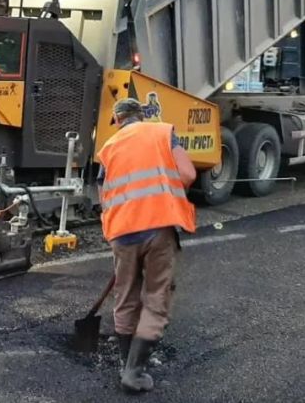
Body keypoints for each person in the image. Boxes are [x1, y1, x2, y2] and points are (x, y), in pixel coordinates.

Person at [96, 97, 197, 394]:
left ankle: (124, 362)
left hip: (121, 234)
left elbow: (104, 194)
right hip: (156, 228)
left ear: (118, 121)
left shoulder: (108, 148)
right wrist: (166, 193)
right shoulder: (163, 132)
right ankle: (135, 371)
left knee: (125, 295)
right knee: (156, 295)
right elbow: (188, 174)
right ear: (141, 116)